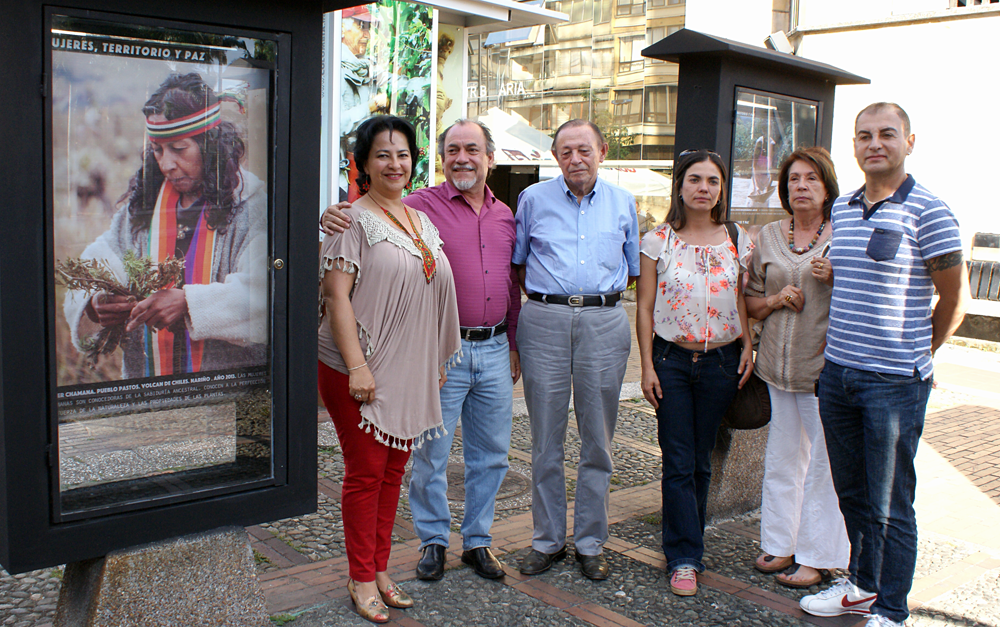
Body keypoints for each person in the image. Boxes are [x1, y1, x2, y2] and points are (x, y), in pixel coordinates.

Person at [322, 119, 521, 582]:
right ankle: (430, 543)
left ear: (489, 157)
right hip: (394, 360)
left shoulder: (503, 214)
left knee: (489, 454)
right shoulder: (417, 203)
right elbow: (348, 254)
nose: (462, 158)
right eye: (453, 149)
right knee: (425, 457)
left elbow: (514, 280)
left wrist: (511, 341)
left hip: (478, 351)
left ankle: (478, 542)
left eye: (472, 149)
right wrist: (329, 215)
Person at [799, 103, 969, 627]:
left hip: (894, 383)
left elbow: (953, 302)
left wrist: (919, 354)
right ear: (854, 146)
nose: (875, 144)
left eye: (886, 135)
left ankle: (892, 610)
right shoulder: (845, 209)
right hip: (839, 376)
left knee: (891, 502)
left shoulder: (930, 212)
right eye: (864, 136)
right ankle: (863, 586)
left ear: (909, 142)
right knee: (852, 492)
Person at [318, 115, 460, 623]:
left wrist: (435, 361)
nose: (394, 163)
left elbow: (433, 293)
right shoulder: (349, 221)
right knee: (365, 474)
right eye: (382, 154)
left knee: (393, 473)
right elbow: (336, 299)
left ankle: (378, 569)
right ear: (361, 164)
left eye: (402, 154)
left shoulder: (419, 219)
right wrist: (357, 367)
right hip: (360, 368)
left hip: (407, 368)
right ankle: (360, 579)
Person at [65, 72, 267, 378]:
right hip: (147, 395)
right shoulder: (144, 206)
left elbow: (264, 295)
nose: (166, 164)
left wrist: (189, 303)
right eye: (158, 150)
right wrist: (95, 303)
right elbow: (101, 255)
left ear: (210, 144)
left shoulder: (251, 205)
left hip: (223, 396)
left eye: (179, 149)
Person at [513, 119, 639, 581]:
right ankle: (547, 540)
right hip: (543, 319)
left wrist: (590, 303)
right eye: (565, 152)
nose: (575, 160)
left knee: (598, 439)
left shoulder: (625, 203)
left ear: (602, 151)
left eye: (583, 150)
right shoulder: (533, 200)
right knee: (545, 437)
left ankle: (590, 541)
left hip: (604, 321)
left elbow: (631, 270)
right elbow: (519, 265)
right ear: (555, 156)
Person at [636, 149, 754, 597]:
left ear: (721, 189)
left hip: (723, 363)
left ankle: (689, 541)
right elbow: (645, 307)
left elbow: (742, 299)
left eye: (713, 181)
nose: (704, 188)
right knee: (678, 459)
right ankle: (684, 557)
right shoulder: (658, 240)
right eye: (695, 180)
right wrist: (646, 365)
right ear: (680, 187)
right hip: (672, 361)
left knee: (701, 461)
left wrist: (748, 344)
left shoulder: (738, 239)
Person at [744, 147, 849, 588]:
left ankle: (817, 555)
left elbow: (861, 300)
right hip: (775, 370)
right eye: (793, 180)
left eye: (811, 179)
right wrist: (773, 299)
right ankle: (780, 541)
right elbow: (749, 300)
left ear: (827, 188)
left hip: (822, 372)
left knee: (825, 466)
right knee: (783, 459)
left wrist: (834, 279)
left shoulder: (843, 233)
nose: (801, 186)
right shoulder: (769, 235)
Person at [339, 7, 387, 202]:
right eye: (361, 26)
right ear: (342, 28)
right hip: (344, 173)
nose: (367, 34)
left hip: (364, 171)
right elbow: (338, 124)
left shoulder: (365, 67)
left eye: (368, 27)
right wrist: (370, 107)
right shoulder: (334, 69)